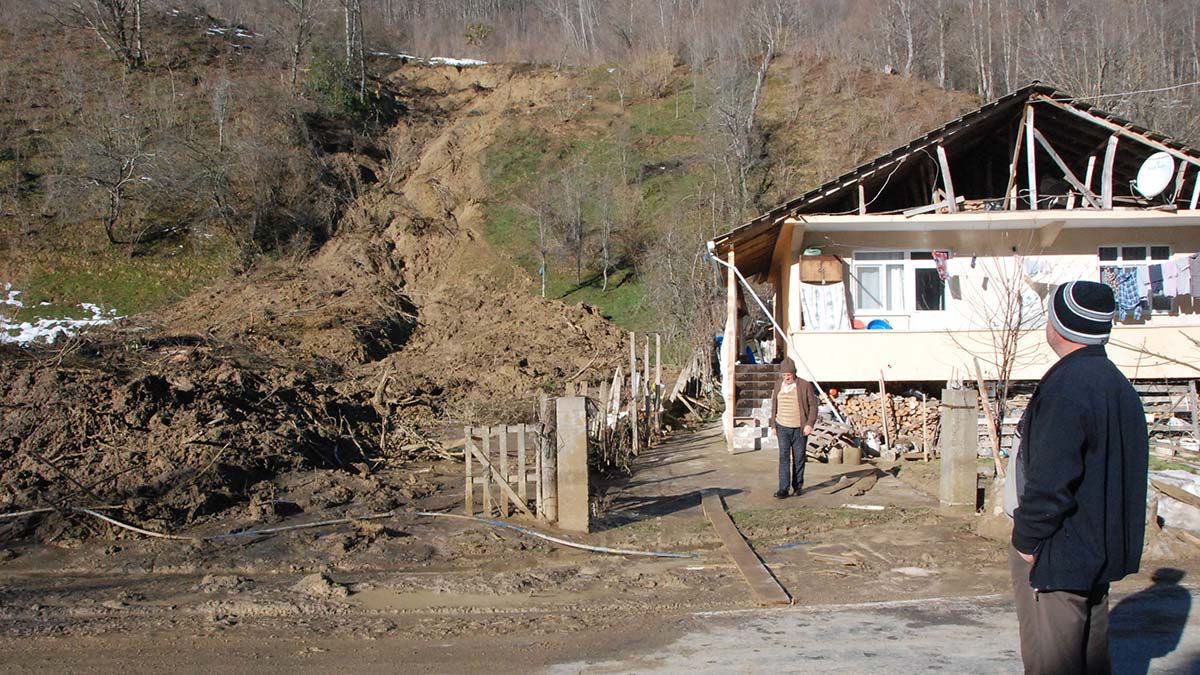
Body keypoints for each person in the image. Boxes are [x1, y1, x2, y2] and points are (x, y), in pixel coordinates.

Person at [1008, 280, 1148, 674]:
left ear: (1059, 325)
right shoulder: (1117, 385)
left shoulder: (1068, 388)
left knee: (1052, 663)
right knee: (1091, 662)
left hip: (1059, 556)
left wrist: (1026, 540)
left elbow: (1052, 481)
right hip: (1098, 553)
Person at [770, 357, 817, 499]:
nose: (786, 378)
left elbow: (813, 406)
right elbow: (774, 405)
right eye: (784, 375)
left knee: (799, 457)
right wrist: (773, 425)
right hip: (782, 426)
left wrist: (809, 424)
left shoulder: (804, 385)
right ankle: (783, 489)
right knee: (783, 457)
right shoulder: (778, 384)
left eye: (789, 375)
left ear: (794, 373)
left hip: (799, 428)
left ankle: (798, 486)